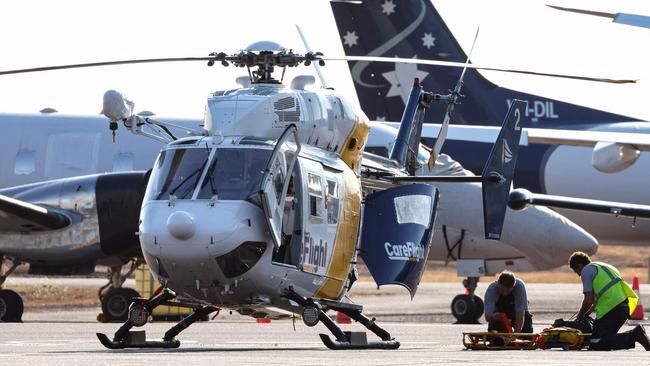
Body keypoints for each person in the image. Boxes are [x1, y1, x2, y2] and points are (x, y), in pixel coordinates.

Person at [569, 251, 650, 351]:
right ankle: (635, 334)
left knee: (596, 342)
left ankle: (635, 334)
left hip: (611, 309)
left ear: (580, 265)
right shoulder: (604, 266)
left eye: (576, 270)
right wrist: (589, 311)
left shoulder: (586, 271)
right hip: (624, 308)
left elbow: (588, 300)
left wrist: (580, 316)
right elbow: (601, 294)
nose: (578, 274)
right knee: (606, 337)